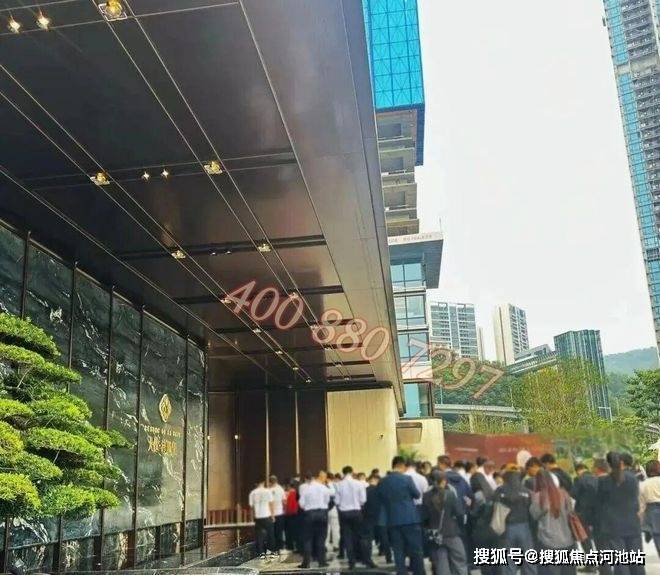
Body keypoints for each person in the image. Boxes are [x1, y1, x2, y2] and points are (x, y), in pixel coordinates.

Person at [595, 451, 645, 575]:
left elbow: (600, 504)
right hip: (632, 523)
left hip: (613, 526)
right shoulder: (632, 478)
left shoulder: (604, 481)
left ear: (608, 464)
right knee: (636, 559)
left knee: (620, 562)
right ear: (621, 463)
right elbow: (635, 500)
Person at [376, 455, 425, 575]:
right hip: (410, 519)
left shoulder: (383, 481)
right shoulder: (407, 479)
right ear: (402, 465)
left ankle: (401, 572)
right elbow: (417, 494)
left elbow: (380, 498)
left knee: (398, 550)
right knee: (416, 549)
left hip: (392, 520)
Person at [422, 470, 468, 575]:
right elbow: (459, 513)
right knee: (459, 559)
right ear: (443, 481)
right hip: (451, 532)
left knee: (441, 563)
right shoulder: (450, 494)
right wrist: (459, 527)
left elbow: (424, 516)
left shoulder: (426, 496)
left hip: (435, 534)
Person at [530, 469, 576, 575]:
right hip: (567, 540)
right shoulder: (564, 494)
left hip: (547, 541)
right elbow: (571, 512)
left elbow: (534, 515)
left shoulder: (538, 496)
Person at [493, 469, 537, 575]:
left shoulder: (500, 491)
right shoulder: (527, 491)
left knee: (509, 561)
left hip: (506, 528)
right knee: (529, 560)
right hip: (524, 527)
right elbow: (532, 511)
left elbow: (494, 507)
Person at [335, 465, 368, 569]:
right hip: (356, 512)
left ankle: (351, 562)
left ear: (343, 473)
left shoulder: (338, 485)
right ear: (352, 472)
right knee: (360, 536)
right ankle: (365, 558)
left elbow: (337, 501)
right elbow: (363, 500)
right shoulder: (359, 484)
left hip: (344, 513)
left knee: (347, 537)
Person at [298, 470, 332, 569]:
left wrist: (308, 508)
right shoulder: (324, 488)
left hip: (310, 514)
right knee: (321, 539)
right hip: (322, 514)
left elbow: (301, 503)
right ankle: (322, 562)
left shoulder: (306, 489)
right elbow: (327, 501)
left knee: (307, 539)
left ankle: (306, 563)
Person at [571, 461, 601, 568]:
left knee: (585, 539)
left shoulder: (579, 480)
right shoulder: (597, 478)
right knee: (599, 539)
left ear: (578, 471)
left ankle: (591, 565)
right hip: (597, 513)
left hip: (583, 513)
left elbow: (573, 494)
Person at [360, 473, 382, 568]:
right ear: (376, 480)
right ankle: (368, 560)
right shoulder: (378, 490)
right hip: (375, 517)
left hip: (364, 516)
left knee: (365, 538)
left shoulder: (365, 490)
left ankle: (364, 558)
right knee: (369, 539)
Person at [639, 459, 660, 558]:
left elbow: (642, 505)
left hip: (652, 513)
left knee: (658, 537)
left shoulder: (644, 484)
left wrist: (641, 519)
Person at [249, 479, 275, 555]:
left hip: (258, 517)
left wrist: (252, 517)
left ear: (256, 484)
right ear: (263, 483)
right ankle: (271, 550)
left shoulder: (253, 493)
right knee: (270, 534)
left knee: (259, 535)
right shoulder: (268, 491)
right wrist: (273, 516)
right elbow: (271, 504)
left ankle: (261, 552)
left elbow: (252, 507)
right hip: (266, 515)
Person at [269, 475, 286, 551]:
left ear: (270, 482)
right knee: (279, 531)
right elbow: (284, 501)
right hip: (280, 513)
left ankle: (273, 548)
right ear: (276, 481)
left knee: (272, 532)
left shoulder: (268, 490)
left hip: (271, 514)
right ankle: (280, 547)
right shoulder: (281, 489)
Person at [284, 479, 301, 553]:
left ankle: (293, 547)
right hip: (298, 515)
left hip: (291, 515)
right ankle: (298, 547)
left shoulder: (291, 493)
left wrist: (287, 513)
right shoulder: (298, 493)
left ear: (289, 486)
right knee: (297, 532)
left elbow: (289, 506)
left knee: (292, 532)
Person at [325, 473, 341, 554]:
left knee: (326, 528)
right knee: (336, 528)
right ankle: (336, 545)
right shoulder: (336, 486)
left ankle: (325, 545)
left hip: (325, 509)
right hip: (334, 509)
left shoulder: (323, 486)